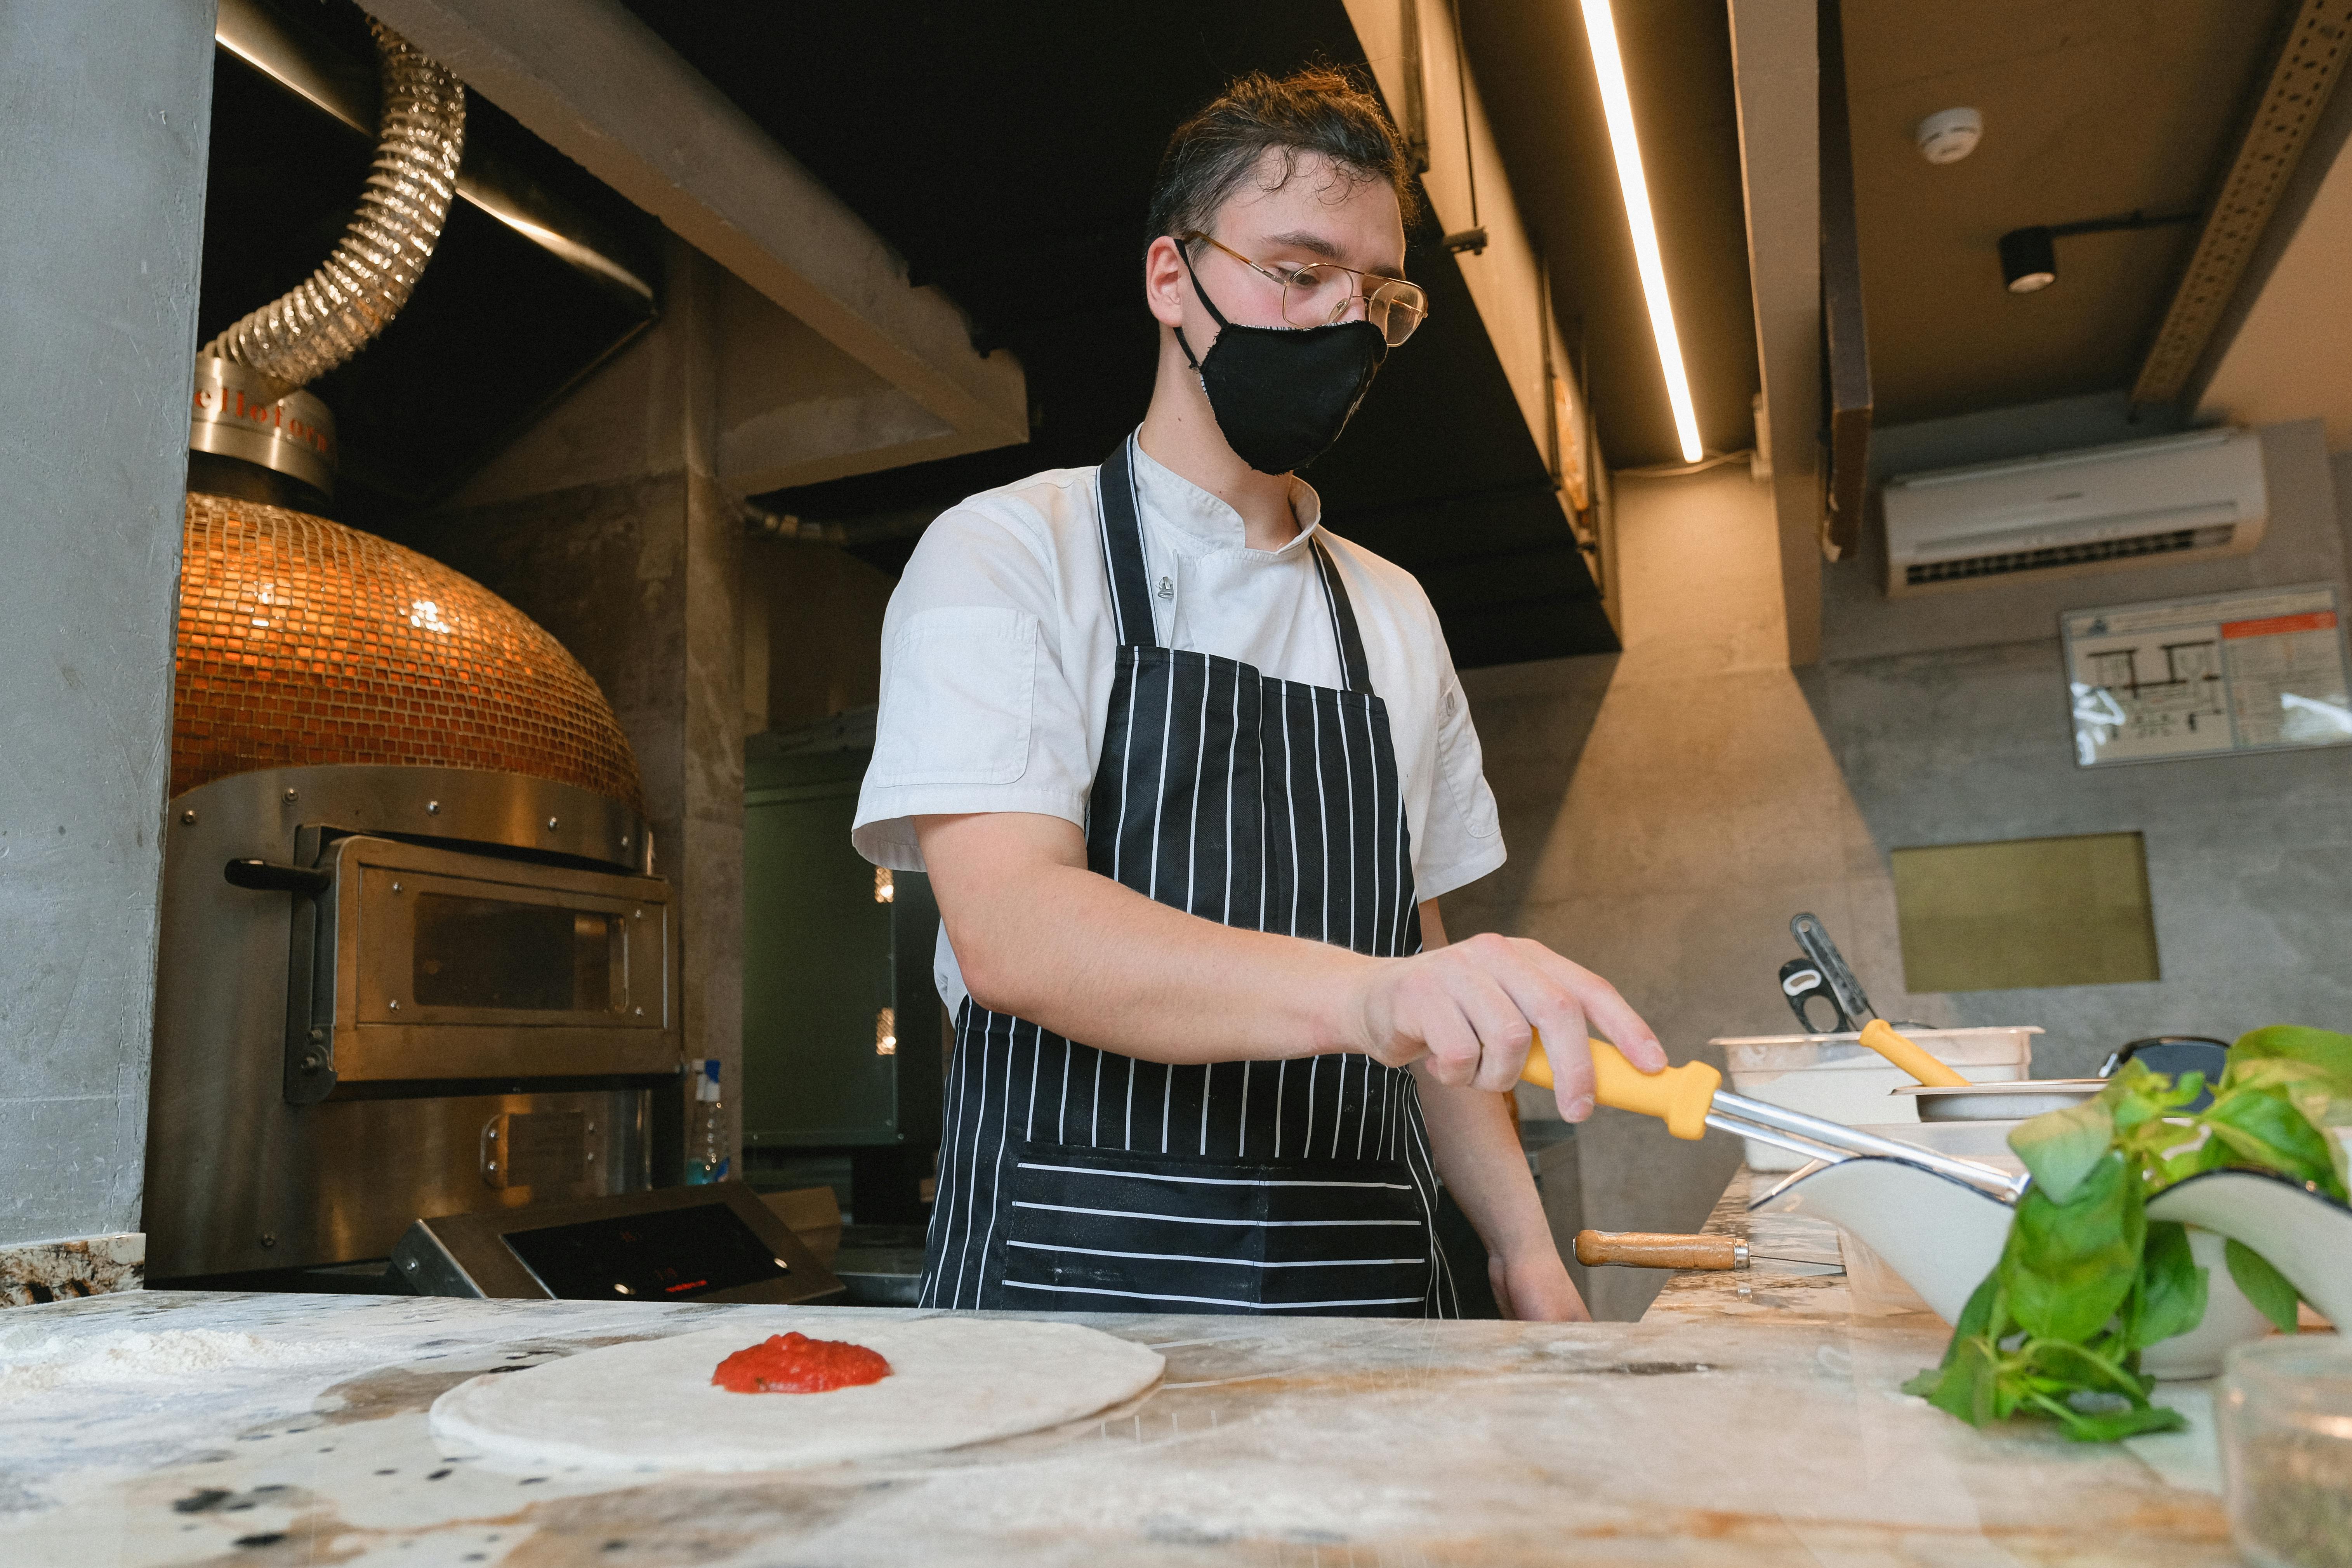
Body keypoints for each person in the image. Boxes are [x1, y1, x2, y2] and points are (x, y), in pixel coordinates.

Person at [853, 65, 1661, 1320]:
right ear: (1171, 278)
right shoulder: (1011, 549)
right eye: (1298, 273)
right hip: (1075, 1292)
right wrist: (1369, 995)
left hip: (1370, 1293)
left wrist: (1518, 1249)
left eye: (1377, 296)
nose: (1343, 322)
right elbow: (1009, 931)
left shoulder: (1390, 611)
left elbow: (1423, 962)